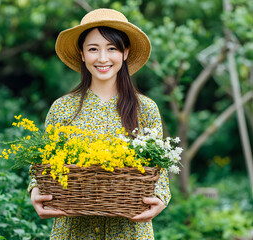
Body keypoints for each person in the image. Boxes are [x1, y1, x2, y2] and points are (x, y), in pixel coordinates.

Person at [28, 8, 171, 239]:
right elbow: (42, 162)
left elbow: (159, 167)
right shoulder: (62, 108)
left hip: (129, 230)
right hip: (73, 230)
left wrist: (162, 198)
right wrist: (36, 189)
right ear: (82, 54)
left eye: (112, 48)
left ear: (125, 52)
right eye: (93, 49)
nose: (102, 58)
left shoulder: (145, 108)